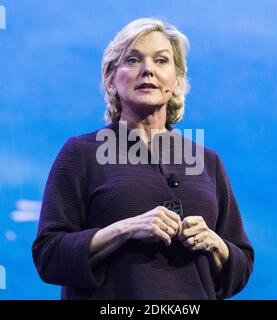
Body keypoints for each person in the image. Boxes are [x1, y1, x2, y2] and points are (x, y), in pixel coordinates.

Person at [32, 17, 254, 300]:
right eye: (134, 60)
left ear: (177, 81)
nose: (148, 70)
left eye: (161, 61)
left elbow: (242, 264)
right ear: (111, 80)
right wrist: (127, 229)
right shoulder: (81, 153)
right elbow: (48, 255)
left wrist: (214, 244)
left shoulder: (207, 161)